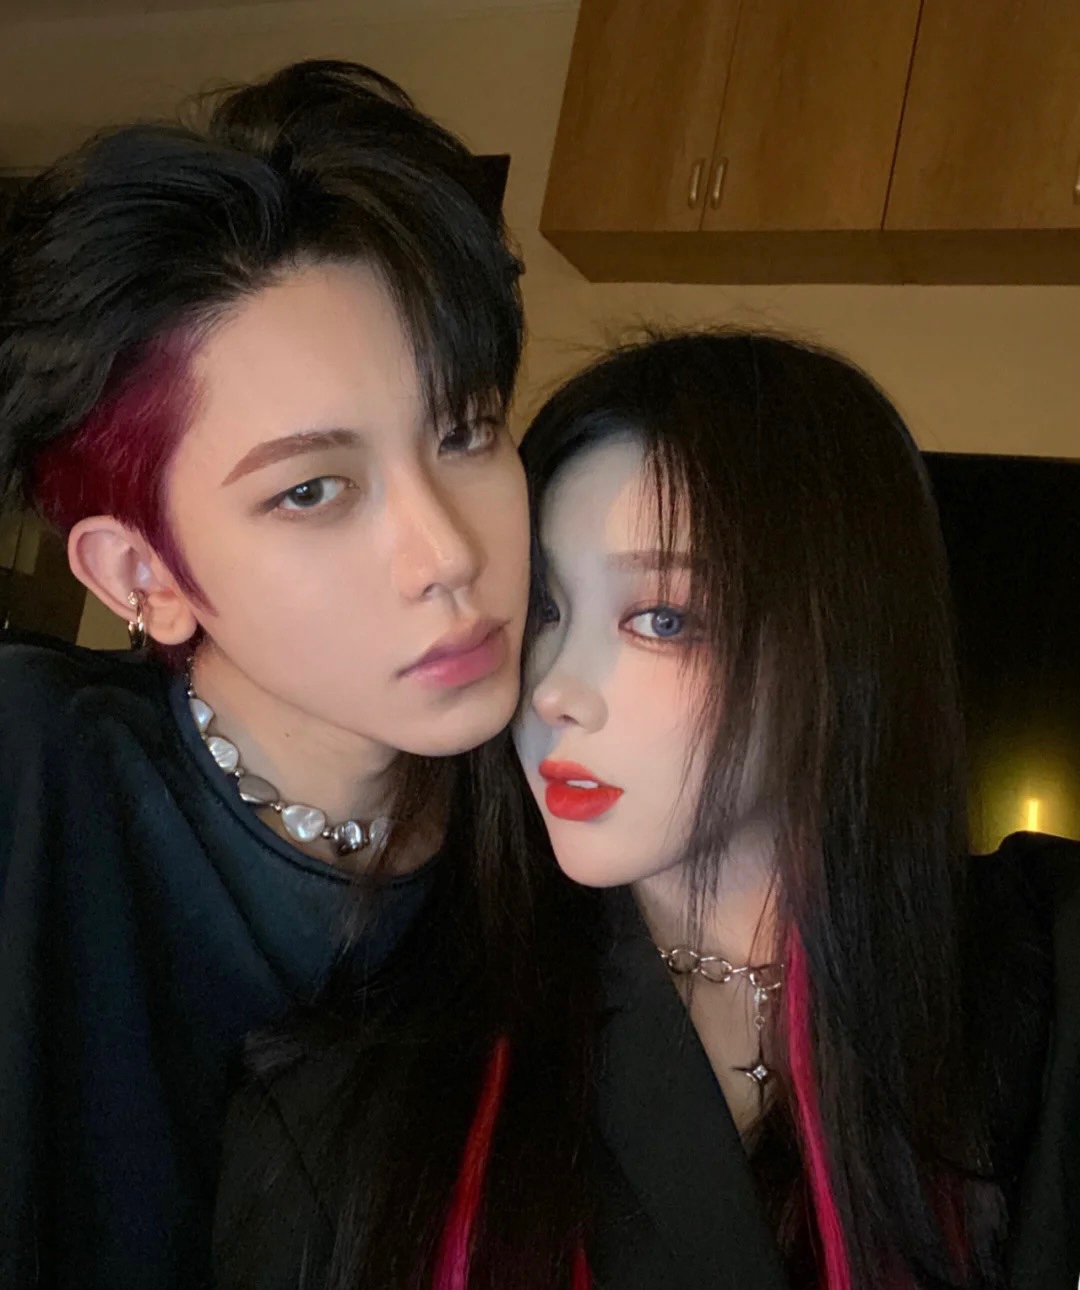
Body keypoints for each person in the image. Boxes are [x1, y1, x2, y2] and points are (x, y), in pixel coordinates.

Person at [214, 330, 1080, 1289]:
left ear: (842, 642)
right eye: (545, 609)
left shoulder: (1038, 974)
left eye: (663, 619)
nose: (555, 691)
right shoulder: (359, 1101)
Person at [0, 59, 531, 1290]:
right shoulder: (36, 778)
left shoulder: (565, 834)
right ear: (144, 575)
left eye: (466, 432)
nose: (448, 554)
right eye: (312, 491)